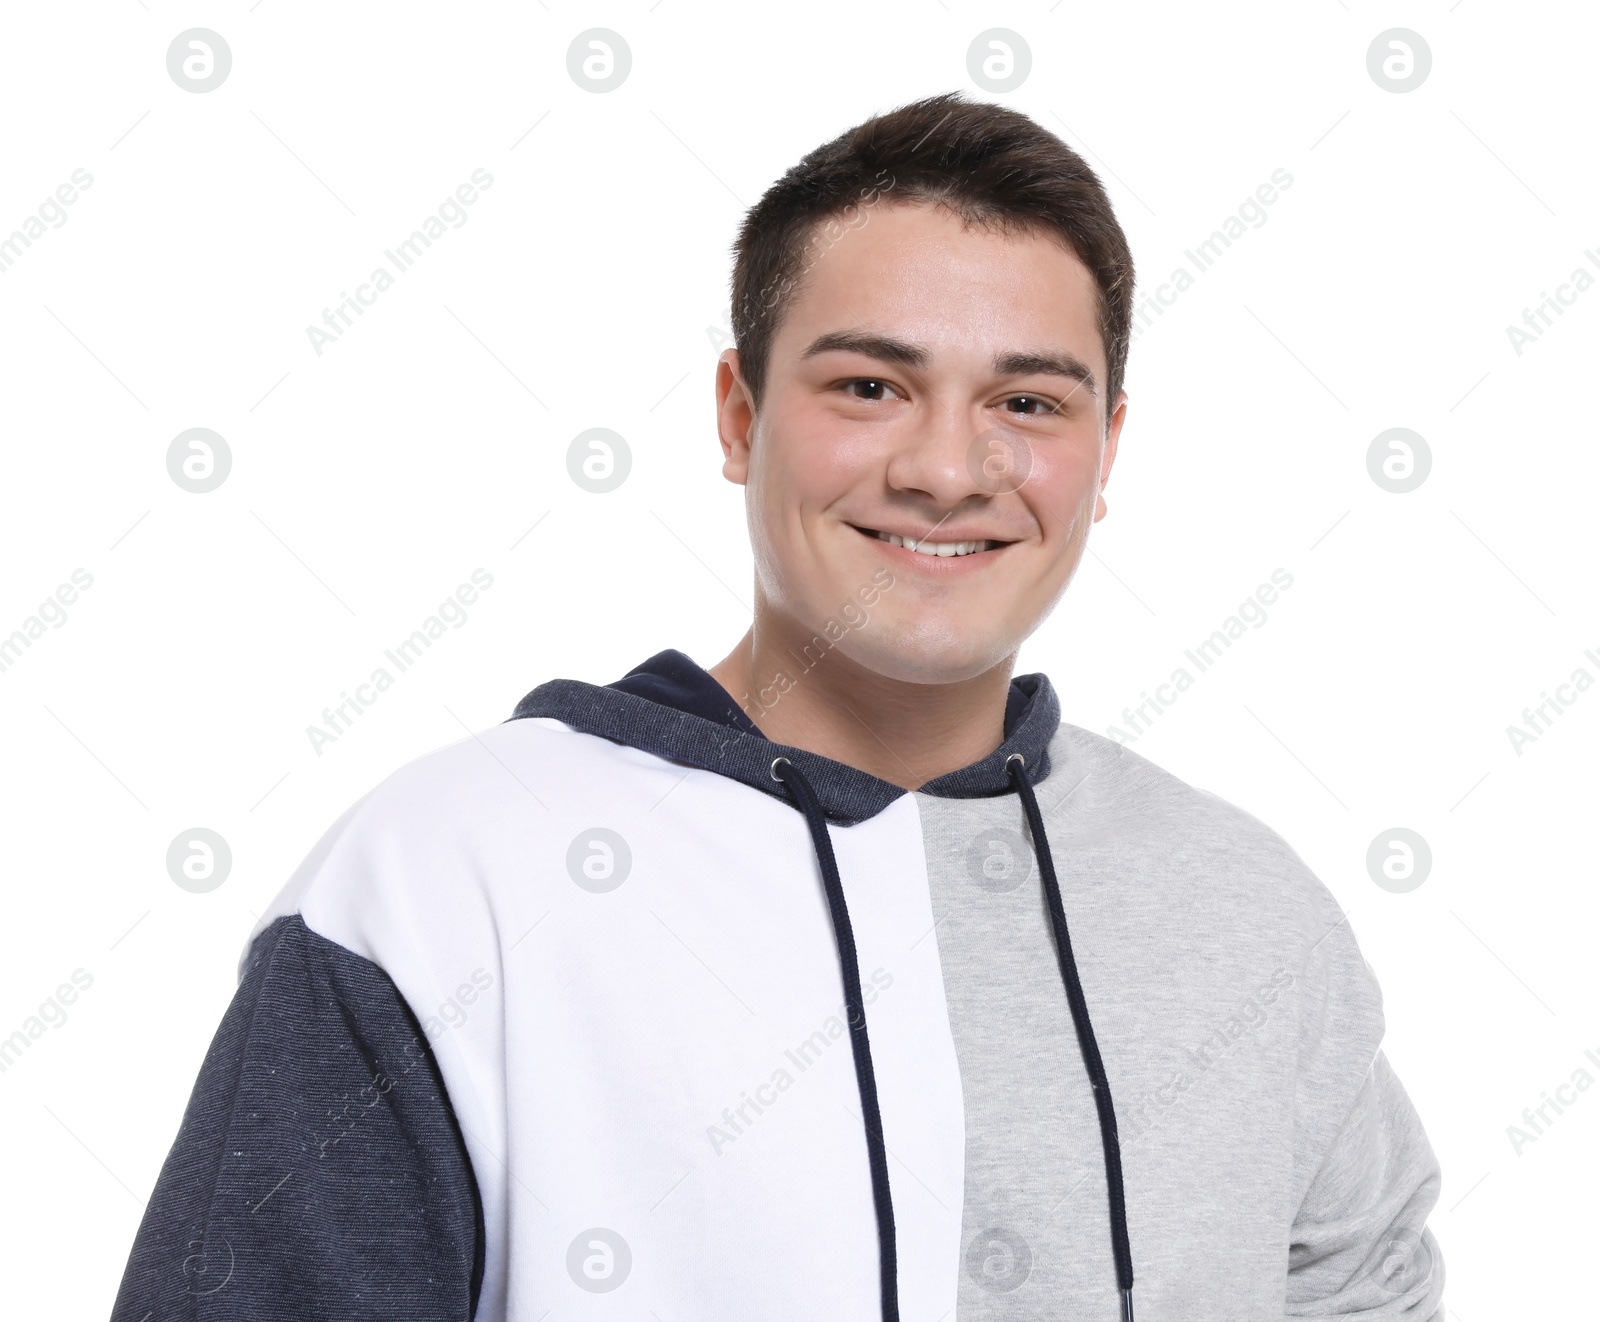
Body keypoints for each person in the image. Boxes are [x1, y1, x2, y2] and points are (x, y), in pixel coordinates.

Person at [111, 92, 1445, 1321]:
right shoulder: (443, 879)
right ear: (739, 415)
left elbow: (1369, 1282)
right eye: (870, 387)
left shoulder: (1248, 908)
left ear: (1105, 453)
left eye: (1027, 401)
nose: (946, 467)